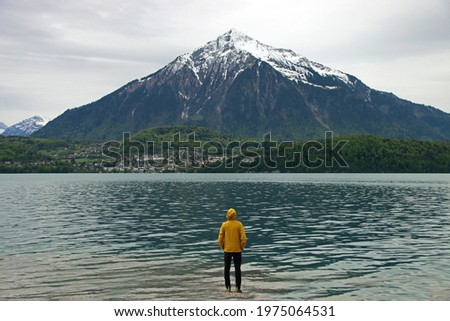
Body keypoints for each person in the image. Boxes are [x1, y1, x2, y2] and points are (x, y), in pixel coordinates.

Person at [218, 208, 247, 293]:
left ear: (227, 215)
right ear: (235, 215)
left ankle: (228, 287)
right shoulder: (239, 224)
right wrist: (241, 247)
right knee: (237, 269)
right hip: (237, 250)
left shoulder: (224, 225)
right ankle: (238, 288)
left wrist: (223, 247)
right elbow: (244, 239)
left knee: (226, 269)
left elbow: (220, 239)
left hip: (227, 250)